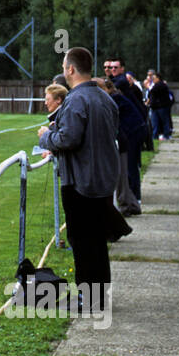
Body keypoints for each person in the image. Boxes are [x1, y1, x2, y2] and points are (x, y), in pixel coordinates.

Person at [37, 48, 119, 312]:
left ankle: (88, 299)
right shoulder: (106, 99)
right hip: (103, 180)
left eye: (64, 66)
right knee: (96, 241)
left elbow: (67, 139)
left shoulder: (75, 100)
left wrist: (44, 136)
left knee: (82, 240)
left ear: (70, 69)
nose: (63, 70)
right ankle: (98, 297)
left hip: (80, 182)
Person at [99, 77, 145, 216]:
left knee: (125, 173)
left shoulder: (113, 99)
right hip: (128, 135)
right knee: (124, 174)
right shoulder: (115, 97)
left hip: (129, 135)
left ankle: (126, 206)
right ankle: (132, 204)